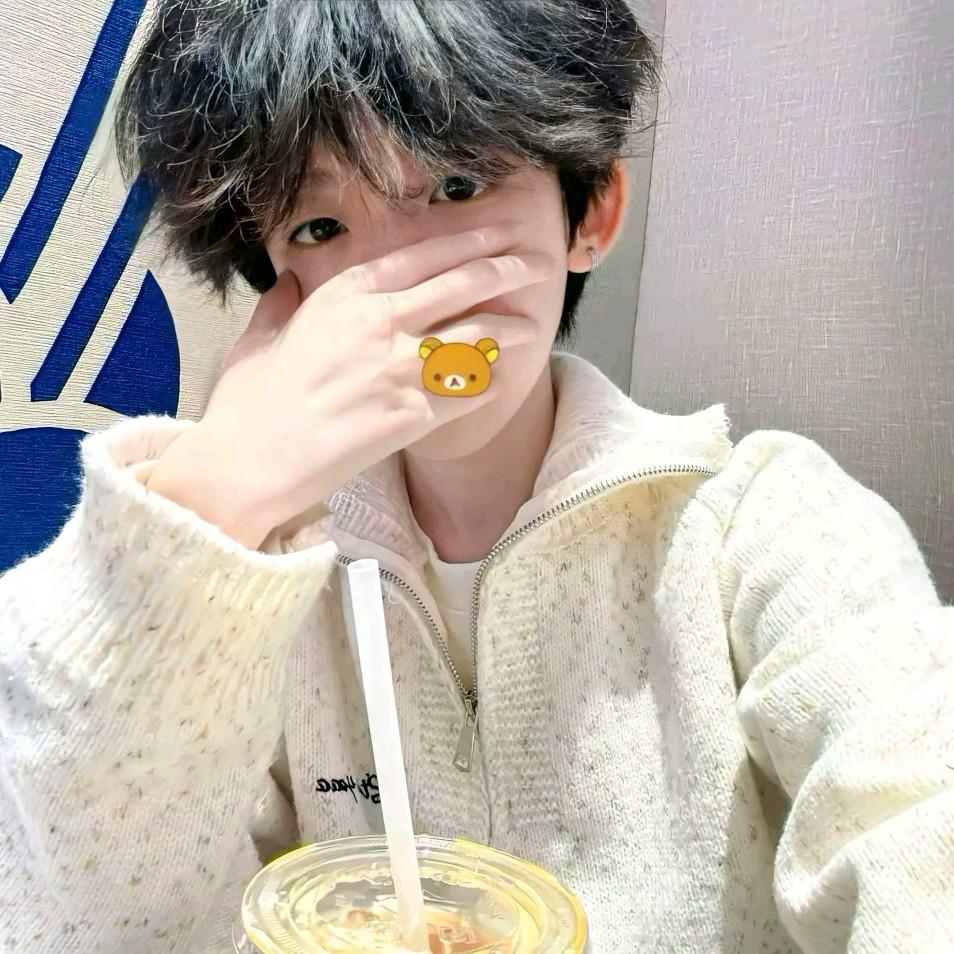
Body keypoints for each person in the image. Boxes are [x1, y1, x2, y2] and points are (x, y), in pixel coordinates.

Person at [1, 1, 951, 951]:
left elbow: (913, 824)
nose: (402, 286)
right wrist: (213, 504)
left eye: (458, 186)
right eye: (322, 225)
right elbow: (78, 909)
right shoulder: (268, 585)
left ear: (591, 213)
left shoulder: (768, 529)